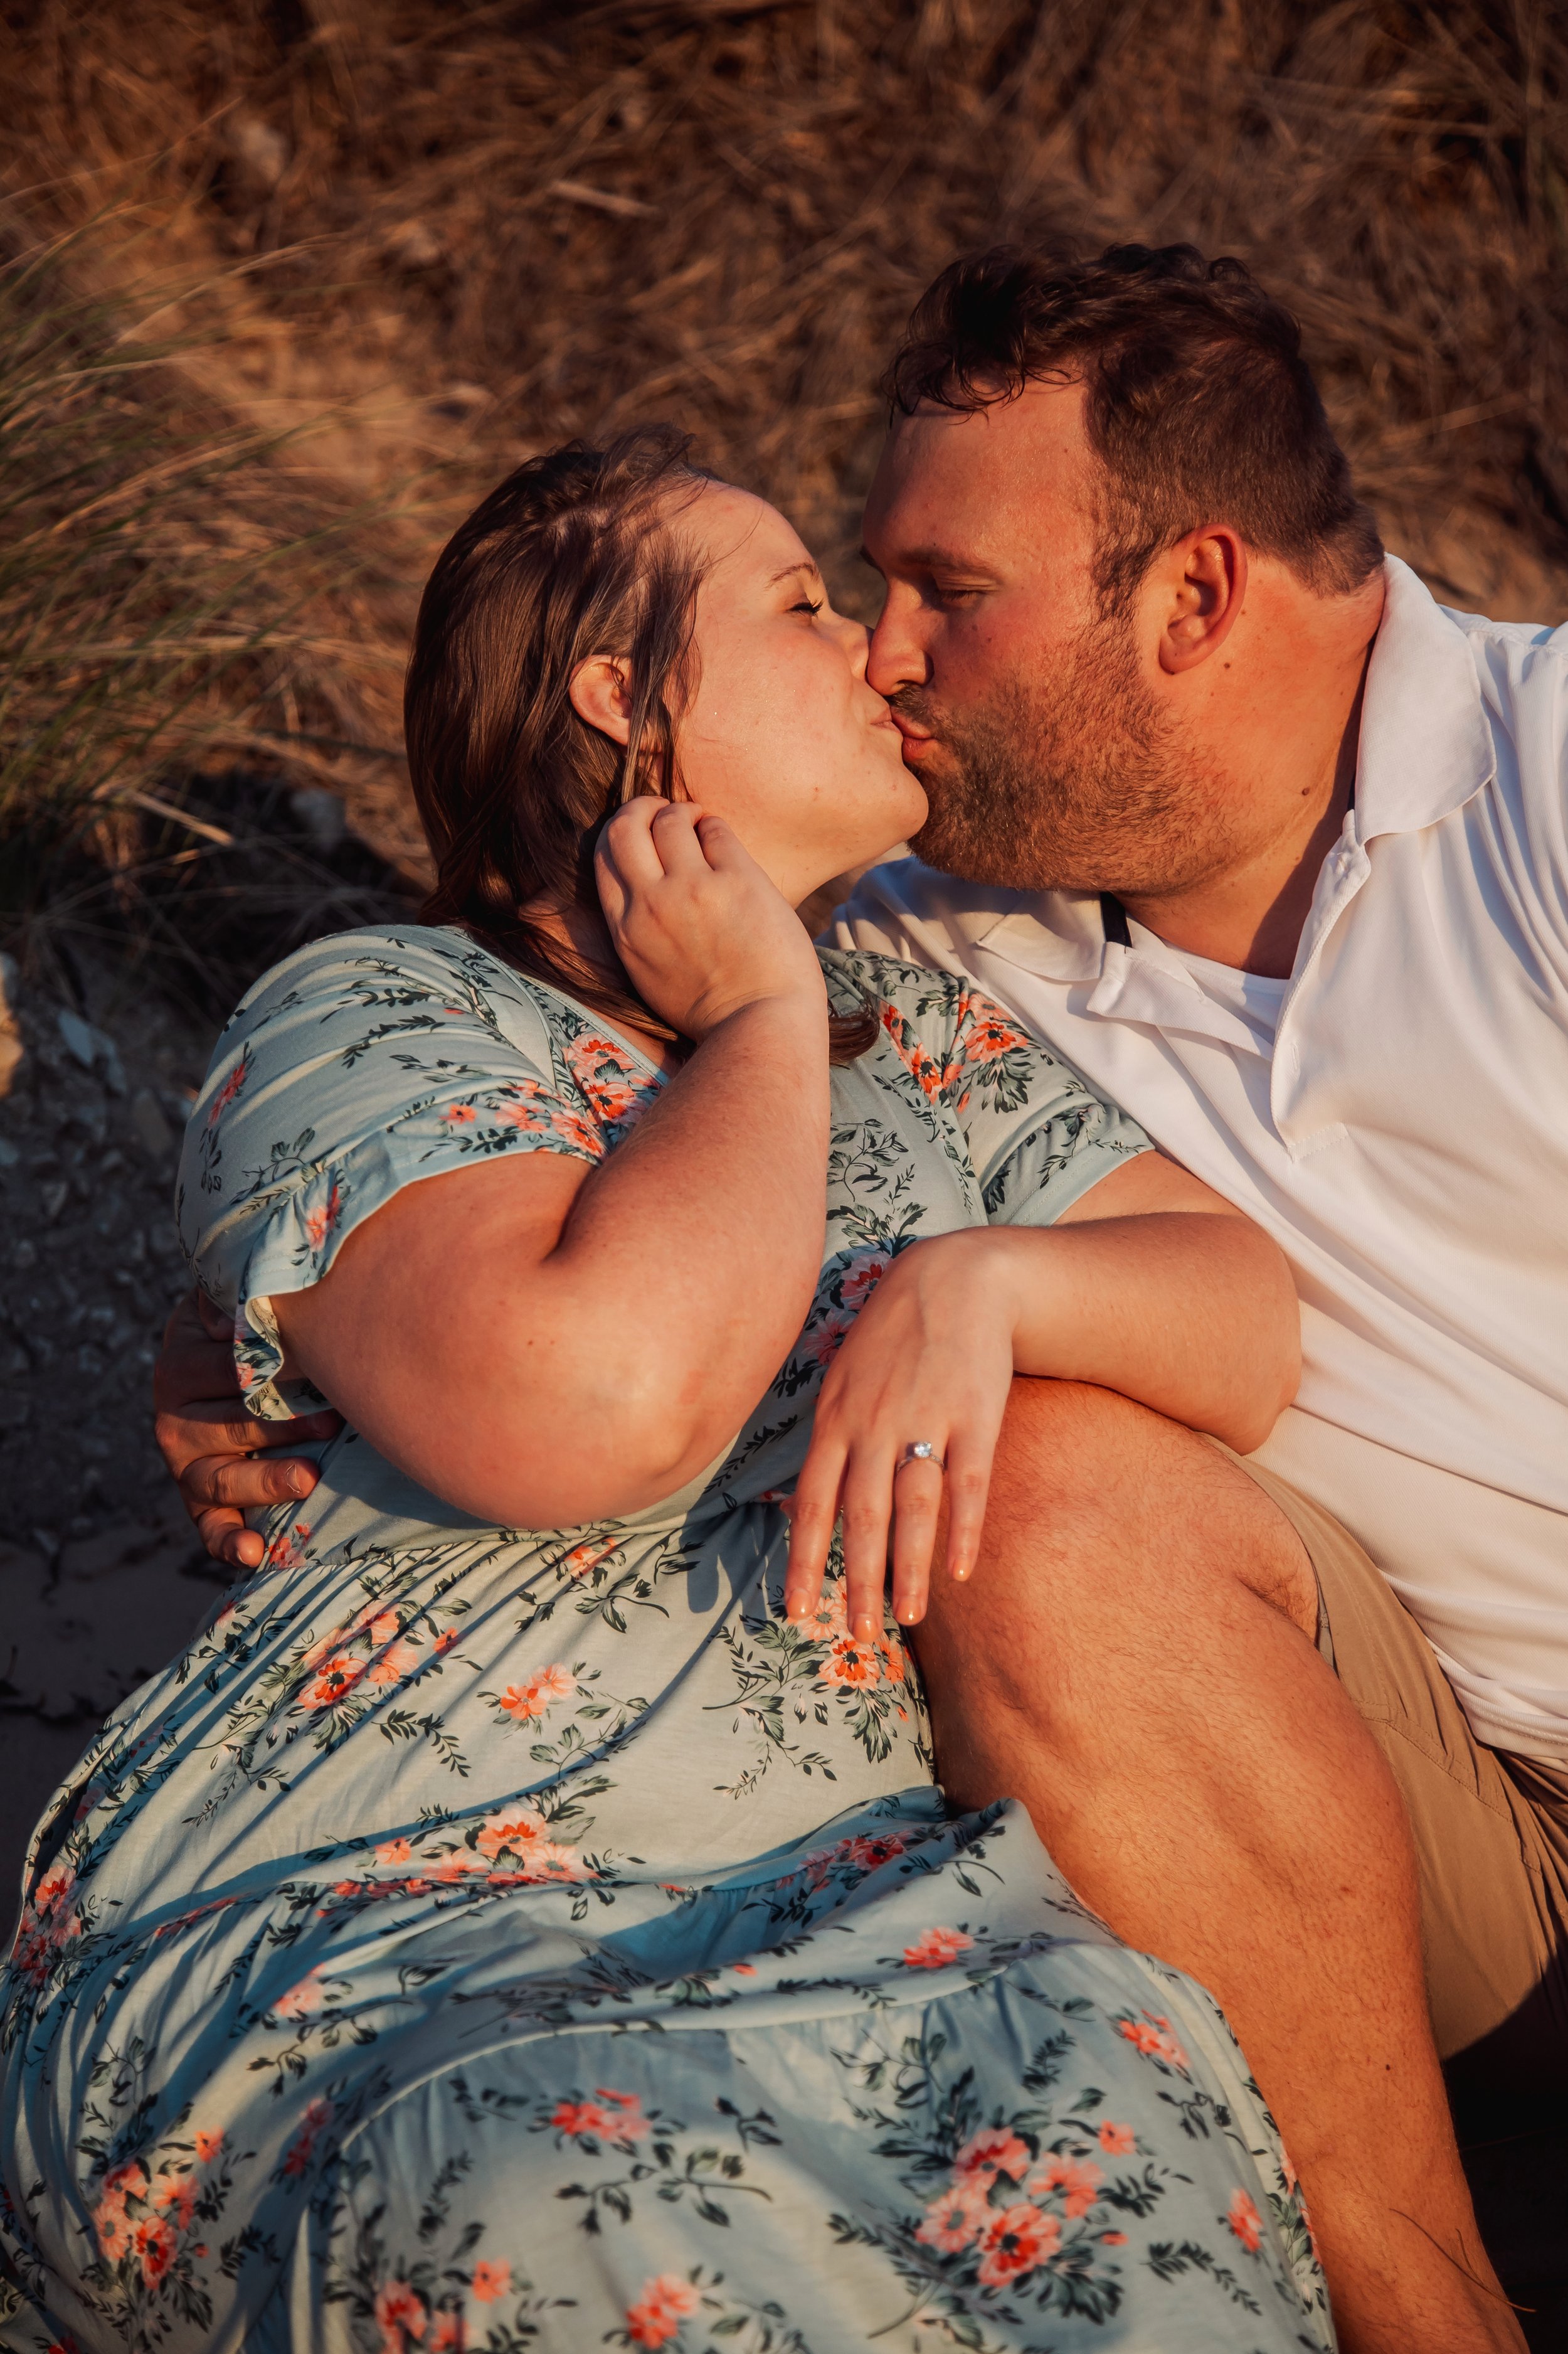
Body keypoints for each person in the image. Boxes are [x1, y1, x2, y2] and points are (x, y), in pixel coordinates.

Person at [0, 430, 1350, 2354]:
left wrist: (989, 1277)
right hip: (409, 1893)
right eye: (803, 607)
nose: (878, 651)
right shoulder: (378, 1011)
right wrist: (760, 1023)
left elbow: (1242, 1320)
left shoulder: (925, 1037)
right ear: (622, 697)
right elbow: (585, 1409)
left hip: (872, 1900)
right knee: (565, 2188)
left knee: (1129, 2130)